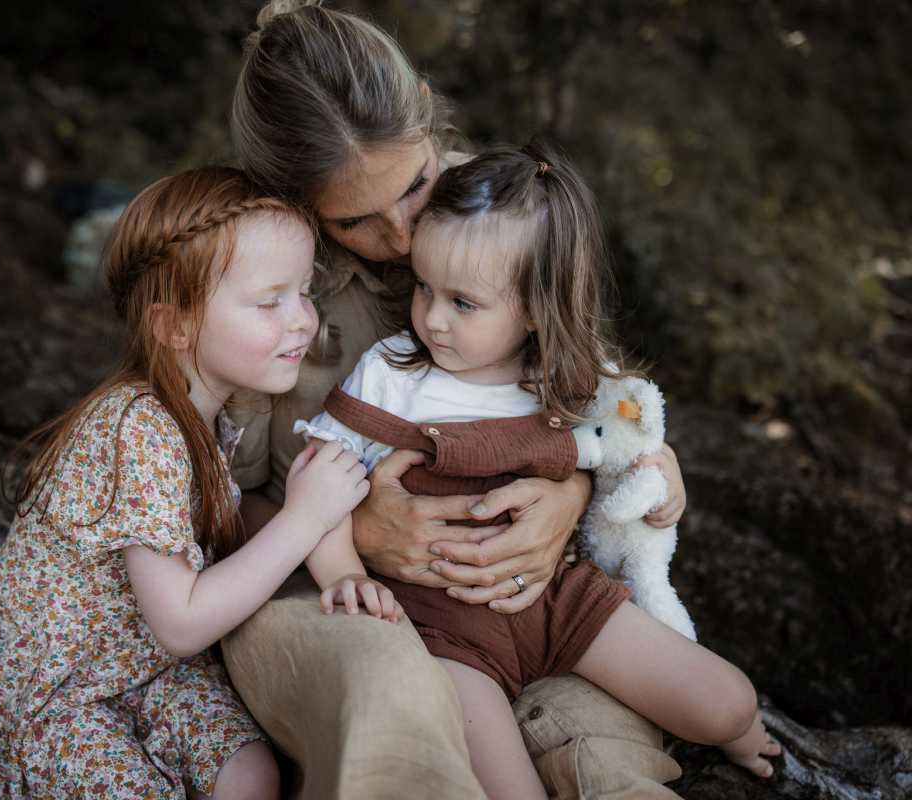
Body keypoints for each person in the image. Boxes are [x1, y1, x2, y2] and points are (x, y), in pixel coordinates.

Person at [223, 2, 692, 797]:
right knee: (395, 706)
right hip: (321, 590)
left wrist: (574, 488)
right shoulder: (253, 277)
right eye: (356, 221)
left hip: (515, 596)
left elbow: (595, 394)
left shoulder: (503, 206)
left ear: (433, 117)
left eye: (416, 186)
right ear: (297, 203)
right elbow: (204, 505)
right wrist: (348, 530)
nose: (404, 237)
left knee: (597, 735)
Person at [293, 146, 783, 798]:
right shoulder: (393, 373)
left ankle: (748, 739)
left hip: (559, 599)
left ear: (531, 307)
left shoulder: (562, 380)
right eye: (424, 288)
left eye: (463, 303)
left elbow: (622, 447)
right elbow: (317, 477)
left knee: (727, 701)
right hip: (444, 630)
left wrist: (661, 477)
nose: (432, 317)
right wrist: (346, 573)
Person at [0, 167, 380, 799]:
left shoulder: (208, 419)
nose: (302, 320)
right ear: (175, 326)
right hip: (65, 698)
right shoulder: (138, 427)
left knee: (250, 771)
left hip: (147, 671)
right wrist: (305, 518)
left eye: (303, 291)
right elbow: (182, 623)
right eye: (270, 302)